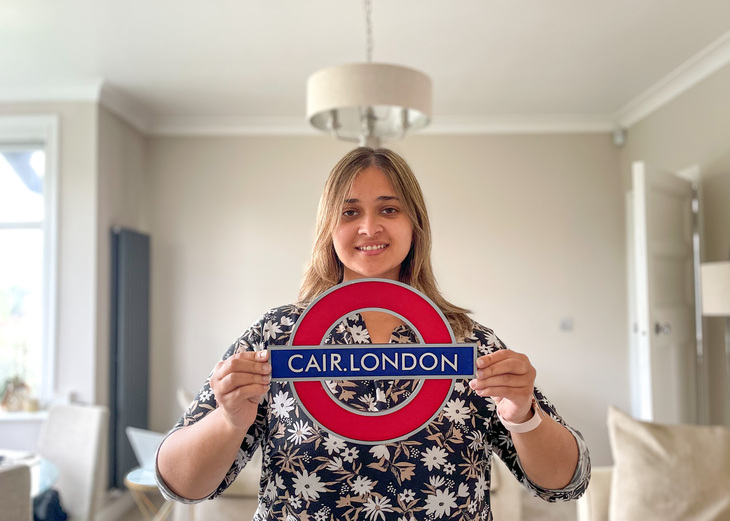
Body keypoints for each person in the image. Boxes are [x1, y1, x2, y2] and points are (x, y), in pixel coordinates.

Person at [156, 147, 591, 520]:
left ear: (414, 224)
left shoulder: (468, 342)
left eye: (388, 208)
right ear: (329, 227)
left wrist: (523, 416)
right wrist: (230, 420)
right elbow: (179, 485)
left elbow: (565, 485)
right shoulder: (277, 336)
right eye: (350, 212)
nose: (369, 227)